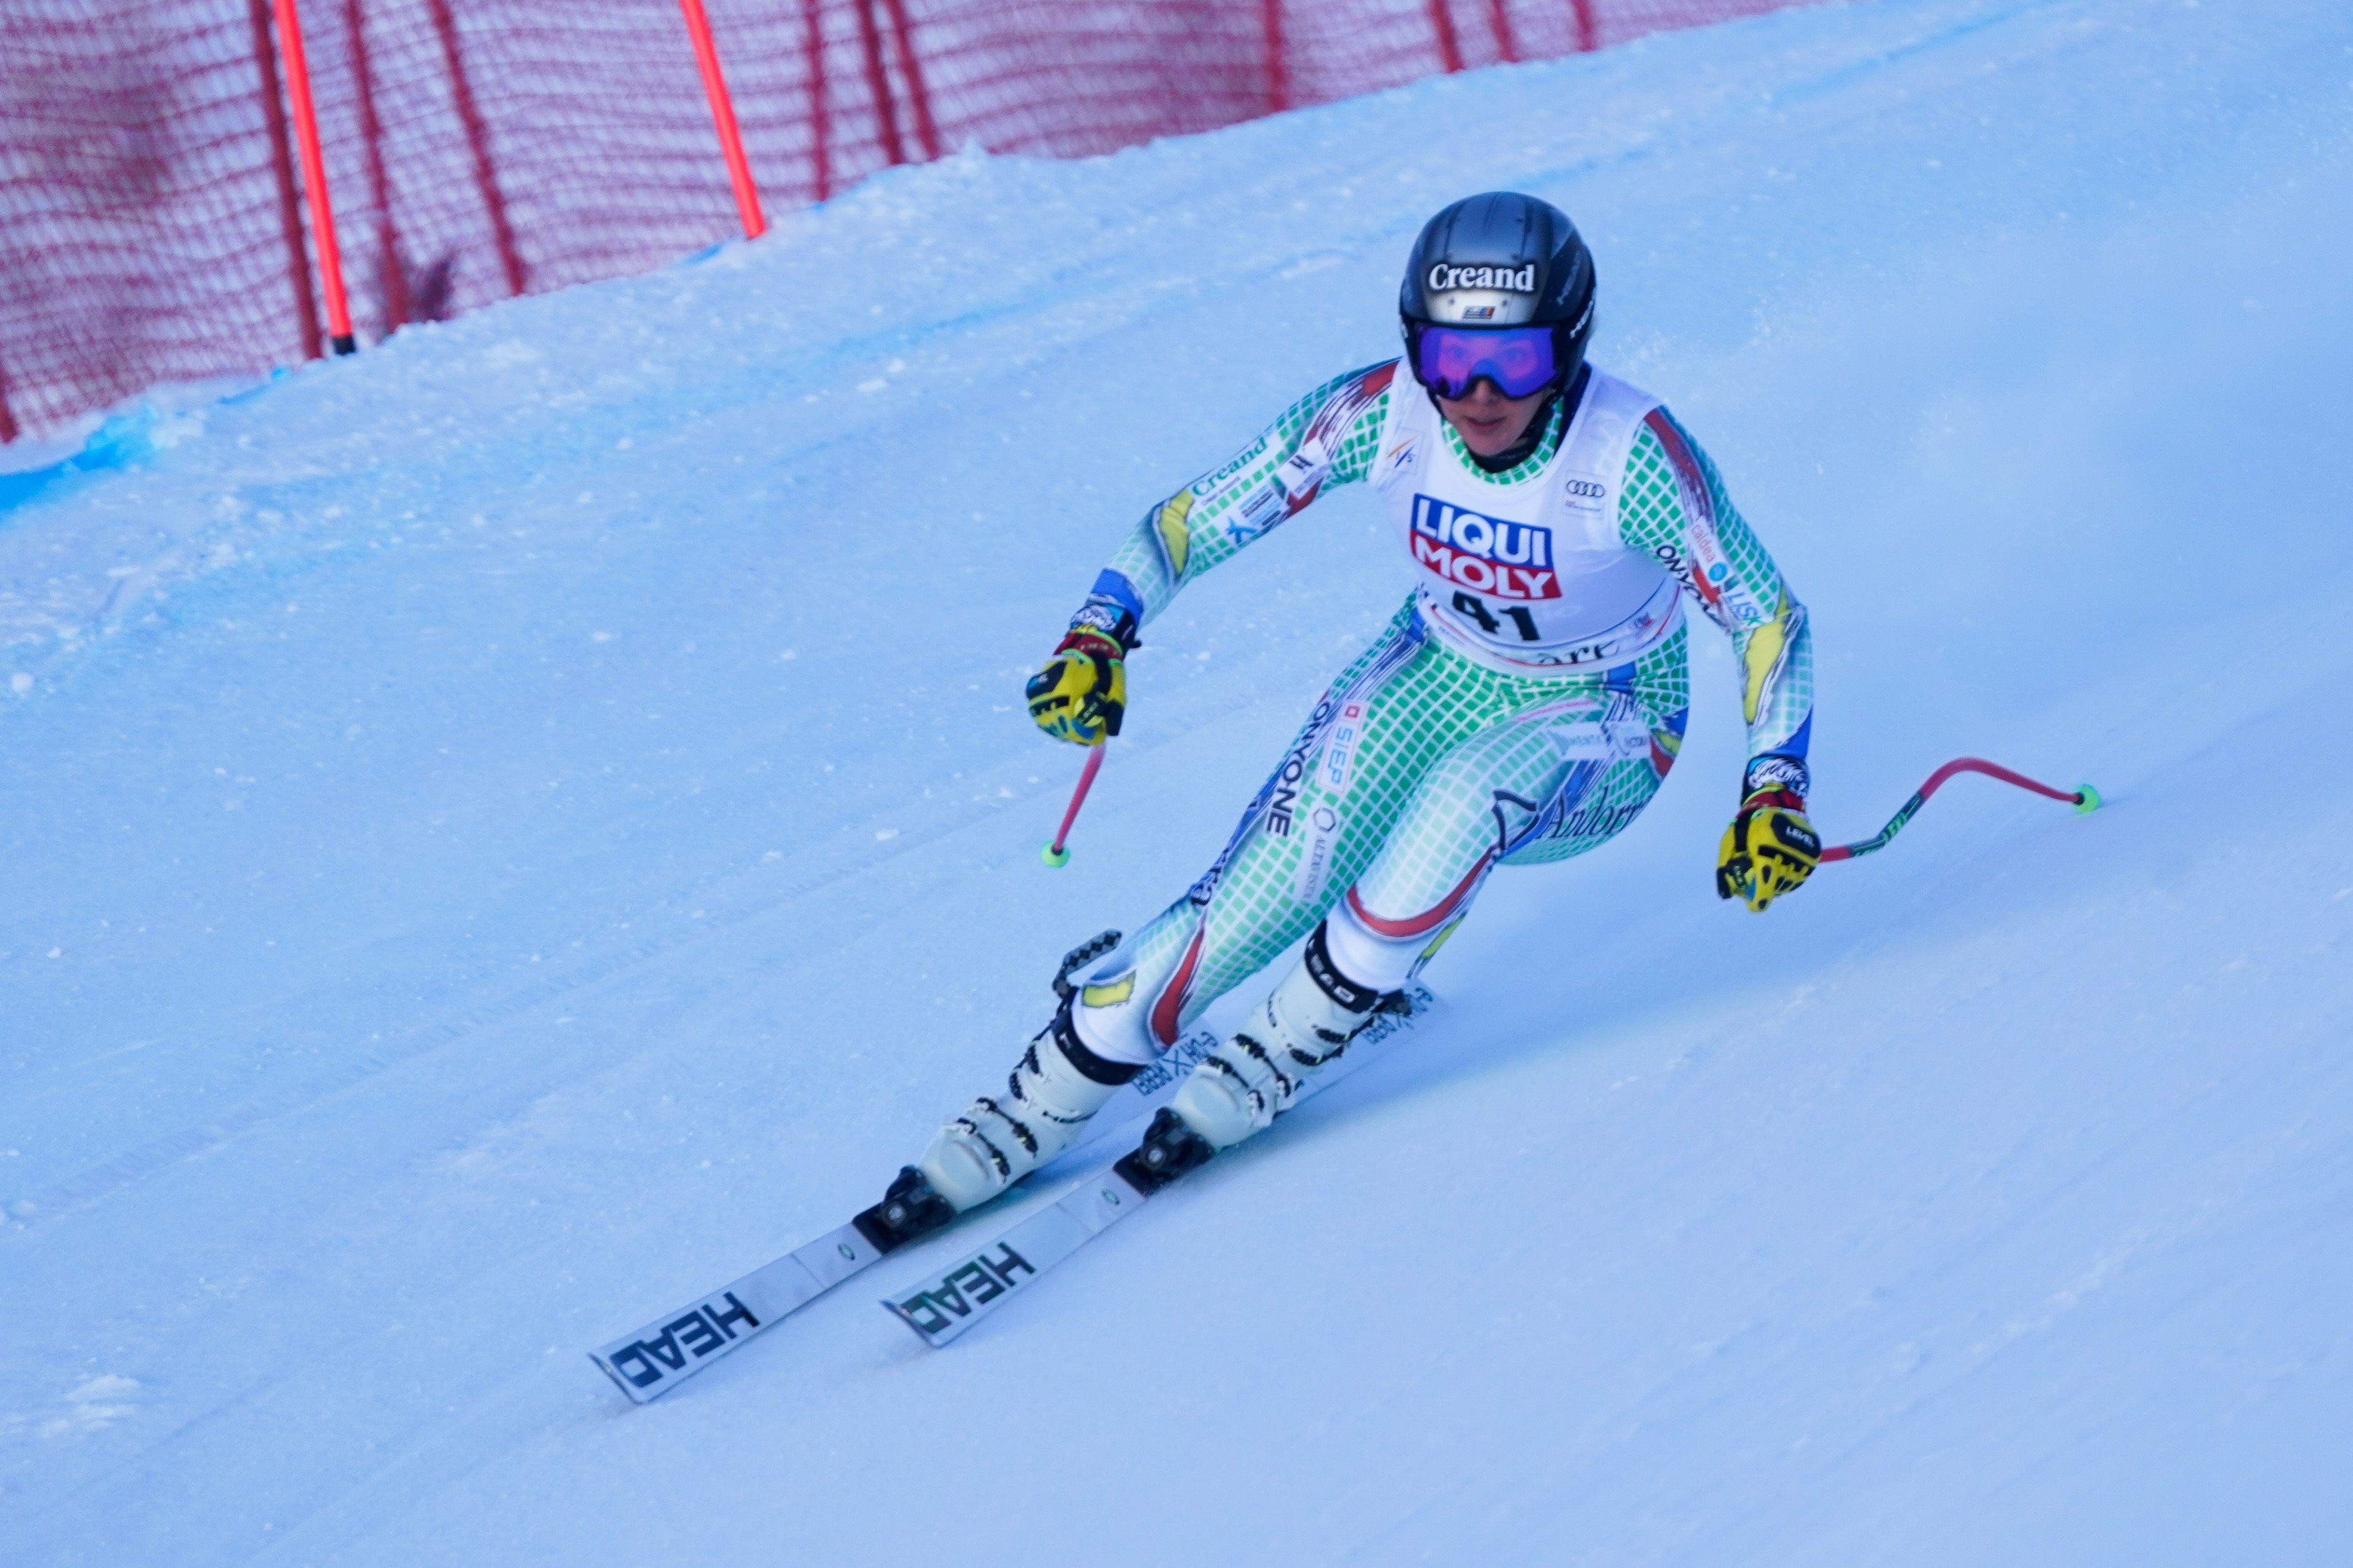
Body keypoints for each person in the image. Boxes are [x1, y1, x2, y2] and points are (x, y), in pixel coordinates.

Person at [864, 191, 1820, 1233]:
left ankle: (1303, 1027)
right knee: (1259, 895)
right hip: (1438, 671)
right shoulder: (1381, 413)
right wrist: (1101, 632)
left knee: (1462, 798)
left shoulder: (1631, 456)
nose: (1482, 395)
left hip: (1614, 713)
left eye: (1520, 362)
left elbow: (1767, 619)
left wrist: (1774, 787)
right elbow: (1189, 523)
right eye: (1450, 362)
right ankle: (1044, 1092)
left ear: (1573, 349)